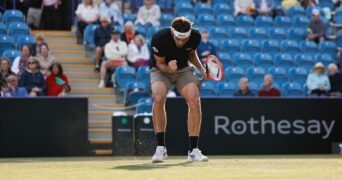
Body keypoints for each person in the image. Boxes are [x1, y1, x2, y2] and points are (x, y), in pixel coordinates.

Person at [150, 17, 208, 163]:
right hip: (161, 69)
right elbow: (159, 63)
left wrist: (201, 69)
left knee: (195, 100)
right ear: (172, 31)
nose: (181, 42)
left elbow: (191, 54)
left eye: (184, 39)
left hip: (183, 70)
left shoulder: (195, 36)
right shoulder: (159, 38)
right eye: (178, 39)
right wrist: (169, 68)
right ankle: (160, 148)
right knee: (158, 97)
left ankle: (193, 151)